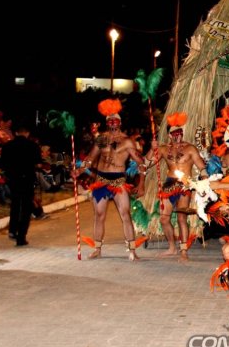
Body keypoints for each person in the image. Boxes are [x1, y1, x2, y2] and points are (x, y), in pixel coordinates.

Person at [75, 99, 146, 261]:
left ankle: (132, 250)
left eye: (115, 121)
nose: (113, 124)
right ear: (107, 123)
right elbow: (90, 158)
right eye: (110, 121)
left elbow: (141, 163)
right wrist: (79, 170)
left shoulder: (127, 141)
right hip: (101, 180)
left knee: (125, 214)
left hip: (119, 181)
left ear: (120, 123)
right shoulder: (101, 139)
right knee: (99, 215)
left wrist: (141, 183)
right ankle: (97, 249)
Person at [144, 112, 207, 261]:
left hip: (185, 184)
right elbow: (146, 164)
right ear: (169, 135)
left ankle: (183, 251)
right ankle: (172, 248)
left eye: (179, 133)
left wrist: (204, 184)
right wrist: (152, 149)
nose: (177, 136)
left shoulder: (190, 148)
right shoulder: (164, 149)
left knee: (181, 217)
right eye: (174, 133)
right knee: (164, 218)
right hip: (169, 183)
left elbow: (201, 167)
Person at [0, 124, 41, 246]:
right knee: (26, 207)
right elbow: (38, 163)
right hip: (27, 178)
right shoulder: (33, 145)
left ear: (16, 133)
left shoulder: (7, 146)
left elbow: (3, 163)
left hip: (13, 179)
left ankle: (12, 230)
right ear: (27, 133)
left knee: (15, 204)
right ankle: (21, 236)